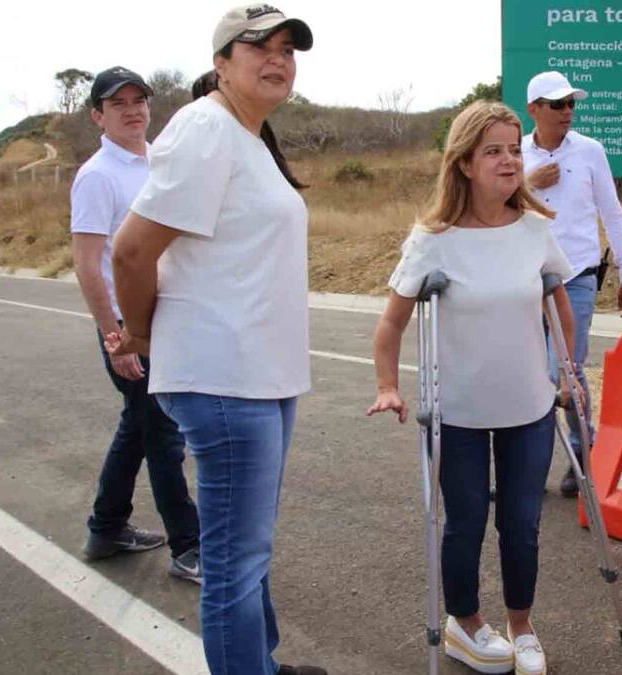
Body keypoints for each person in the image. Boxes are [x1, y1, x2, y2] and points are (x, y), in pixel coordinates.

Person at [104, 5, 324, 675]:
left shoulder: (247, 136)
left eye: (288, 48)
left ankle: (261, 662)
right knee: (234, 560)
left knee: (249, 548)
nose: (278, 58)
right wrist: (142, 333)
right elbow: (132, 250)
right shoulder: (205, 128)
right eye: (259, 46)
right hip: (225, 377)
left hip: (262, 373)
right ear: (221, 63)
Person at [369, 100, 576, 675]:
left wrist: (569, 375)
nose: (509, 160)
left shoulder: (535, 229)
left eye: (513, 149)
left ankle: (521, 626)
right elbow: (391, 324)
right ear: (463, 163)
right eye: (493, 152)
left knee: (522, 524)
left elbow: (560, 305)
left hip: (529, 405)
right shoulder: (432, 239)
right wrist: (388, 384)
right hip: (458, 410)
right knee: (464, 522)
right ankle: (465, 623)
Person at [70, 66, 202, 582]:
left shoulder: (159, 161)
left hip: (165, 316)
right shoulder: (98, 175)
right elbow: (88, 264)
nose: (132, 111)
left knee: (139, 424)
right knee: (163, 431)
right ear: (97, 116)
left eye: (138, 100)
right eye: (118, 103)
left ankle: (106, 528)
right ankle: (189, 548)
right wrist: (116, 338)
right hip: (128, 325)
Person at [522, 70, 622, 497]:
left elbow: (611, 212)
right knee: (529, 372)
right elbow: (491, 205)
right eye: (558, 104)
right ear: (534, 109)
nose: (567, 111)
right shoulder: (515, 154)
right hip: (524, 280)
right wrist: (528, 184)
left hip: (576, 278)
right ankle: (534, 463)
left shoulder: (590, 151)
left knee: (564, 370)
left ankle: (581, 453)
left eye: (571, 103)